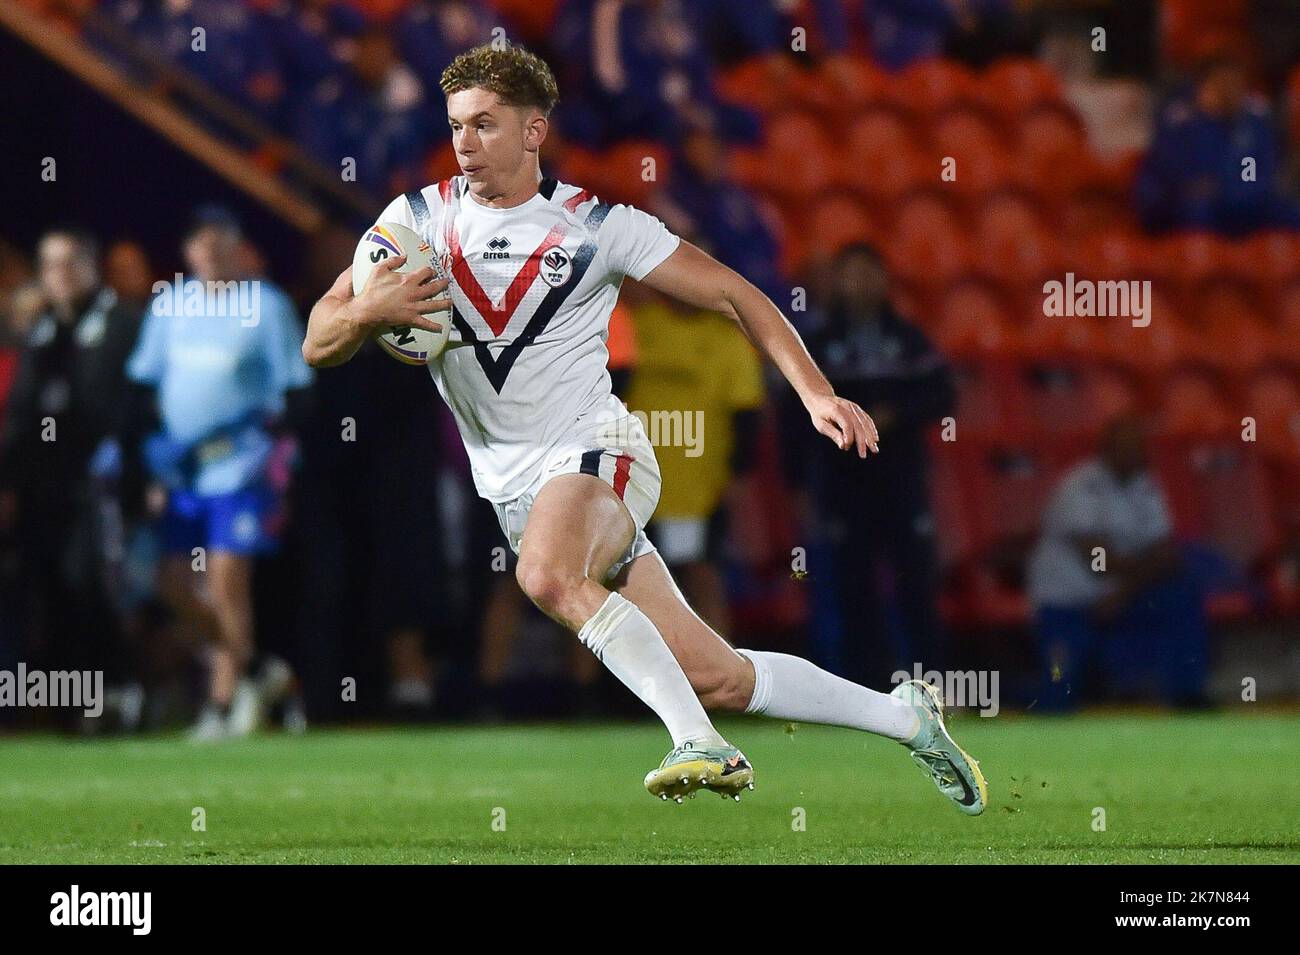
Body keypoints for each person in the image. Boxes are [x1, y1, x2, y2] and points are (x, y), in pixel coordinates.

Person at [303, 43, 986, 813]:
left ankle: (701, 745)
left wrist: (815, 393)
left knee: (545, 574)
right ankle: (908, 717)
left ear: (535, 131)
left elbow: (735, 294)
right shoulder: (415, 221)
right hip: (513, 488)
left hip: (603, 451)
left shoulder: (600, 227)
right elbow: (318, 339)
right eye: (457, 125)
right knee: (720, 674)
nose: (465, 144)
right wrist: (365, 311)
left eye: (486, 125)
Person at [126, 206, 314, 740]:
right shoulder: (170, 306)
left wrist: (266, 445)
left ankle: (222, 702)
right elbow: (143, 386)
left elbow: (295, 391)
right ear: (189, 253)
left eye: (220, 244)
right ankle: (259, 671)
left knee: (226, 583)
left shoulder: (265, 306)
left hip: (241, 470)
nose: (209, 255)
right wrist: (151, 461)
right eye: (200, 245)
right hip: (183, 472)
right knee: (174, 587)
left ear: (238, 249)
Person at [784, 243, 956, 685]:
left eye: (869, 273)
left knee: (915, 584)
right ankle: (864, 689)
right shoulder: (818, 344)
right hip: (843, 485)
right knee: (851, 589)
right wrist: (799, 485)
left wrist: (895, 413)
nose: (860, 284)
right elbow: (792, 417)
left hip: (900, 481)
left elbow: (943, 394)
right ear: (836, 283)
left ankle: (930, 686)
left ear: (884, 281)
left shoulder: (907, 338)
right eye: (851, 274)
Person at [0, 230, 143, 718]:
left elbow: (125, 408)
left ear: (89, 264)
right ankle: (71, 702)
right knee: (51, 587)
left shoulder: (120, 324)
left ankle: (118, 688)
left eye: (68, 263)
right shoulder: (42, 331)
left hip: (100, 486)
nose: (57, 275)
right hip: (45, 488)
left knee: (94, 583)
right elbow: (23, 413)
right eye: (49, 265)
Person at [1026, 416, 1210, 710]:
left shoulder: (1145, 485)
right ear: (1107, 450)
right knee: (1059, 694)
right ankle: (991, 696)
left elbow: (1166, 554)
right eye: (1128, 448)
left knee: (1180, 593)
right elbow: (1099, 561)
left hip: (1122, 599)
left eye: (1139, 448)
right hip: (1069, 606)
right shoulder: (1080, 486)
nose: (1137, 455)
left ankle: (1187, 696)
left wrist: (1125, 590)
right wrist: (1142, 570)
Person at [1137, 52, 1300, 235]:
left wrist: (1228, 188)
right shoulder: (1178, 124)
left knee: (1289, 212)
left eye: (1236, 83)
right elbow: (1176, 181)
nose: (1232, 90)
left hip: (1245, 207)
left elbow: (1257, 178)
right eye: (1223, 83)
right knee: (1198, 211)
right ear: (1204, 85)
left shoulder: (1254, 124)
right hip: (1190, 212)